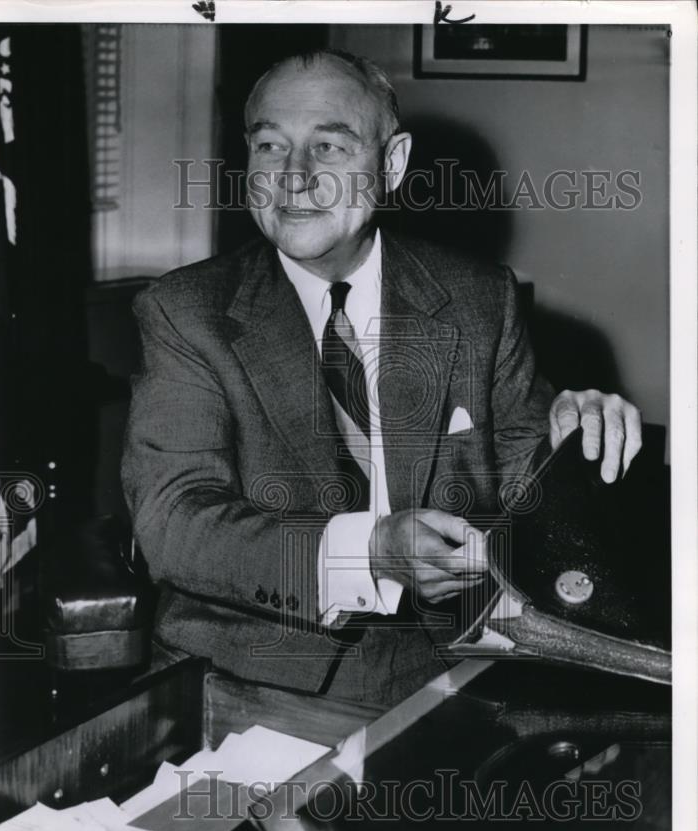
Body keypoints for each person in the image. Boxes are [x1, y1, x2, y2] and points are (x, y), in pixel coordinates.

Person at [122, 49, 642, 707]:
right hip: (249, 673)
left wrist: (575, 442)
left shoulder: (479, 298)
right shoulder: (185, 311)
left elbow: (524, 496)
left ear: (390, 164)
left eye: (330, 148)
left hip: (455, 663)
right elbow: (173, 524)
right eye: (270, 147)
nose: (294, 179)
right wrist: (367, 552)